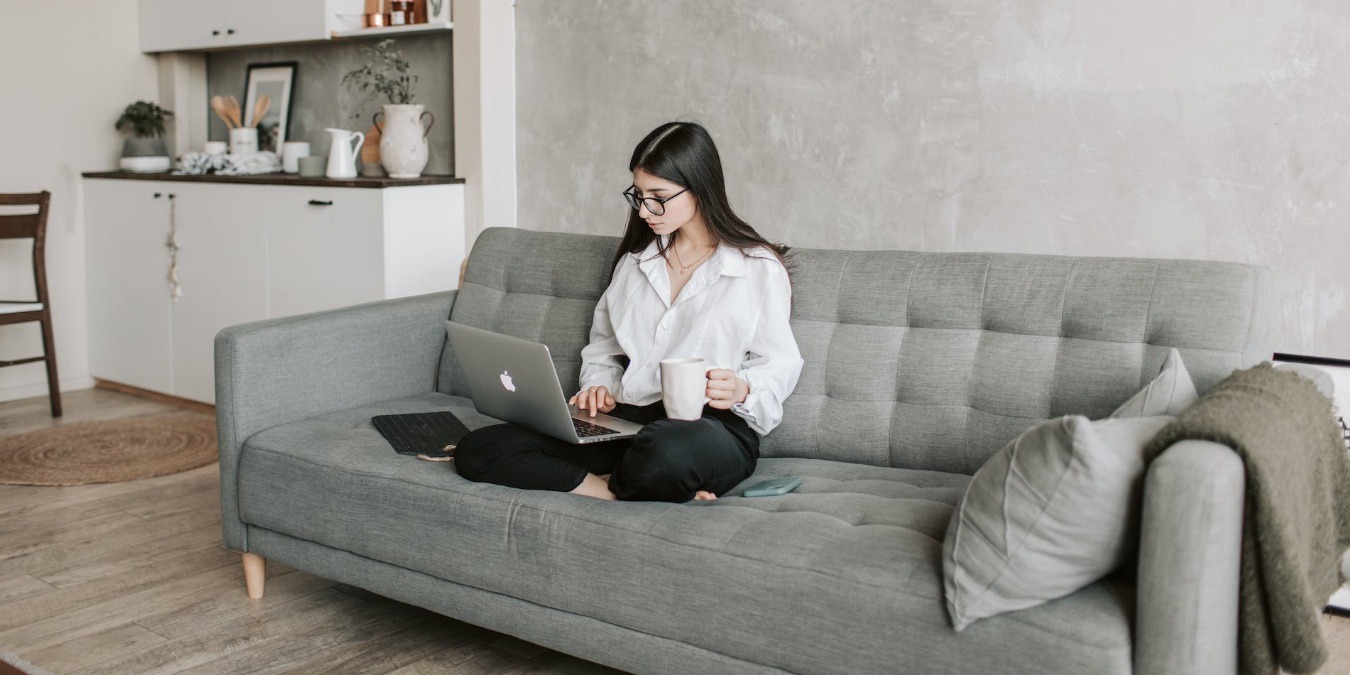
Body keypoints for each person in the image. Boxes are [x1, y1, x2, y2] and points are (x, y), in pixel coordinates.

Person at [453, 121, 804, 502]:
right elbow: (603, 350)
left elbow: (778, 365)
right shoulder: (636, 264)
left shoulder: (756, 267)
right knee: (480, 447)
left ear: (700, 188)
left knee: (666, 451)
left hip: (708, 428)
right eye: (638, 195)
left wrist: (742, 388)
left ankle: (641, 478)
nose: (644, 211)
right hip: (628, 421)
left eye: (658, 195)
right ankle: (610, 489)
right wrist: (597, 388)